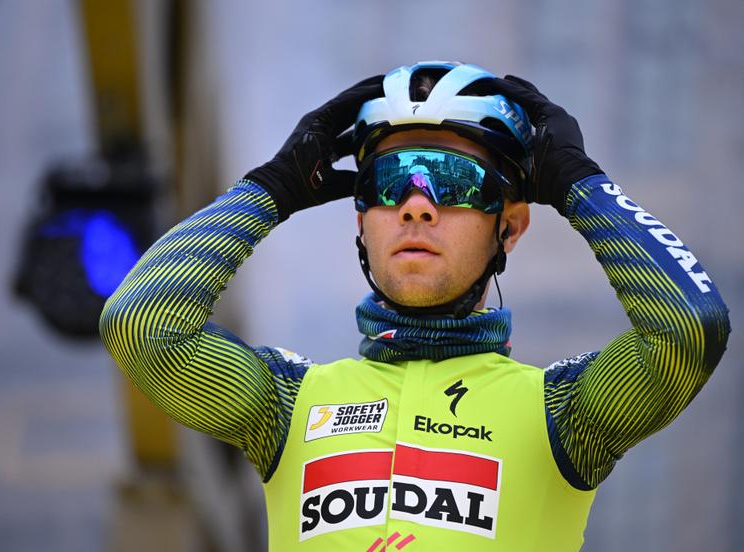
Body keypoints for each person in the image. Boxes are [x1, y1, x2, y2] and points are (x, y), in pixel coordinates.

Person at [99, 62, 730, 550]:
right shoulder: (286, 405)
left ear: (509, 227)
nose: (417, 205)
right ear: (361, 220)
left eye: (454, 182)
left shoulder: (562, 416)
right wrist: (272, 187)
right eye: (389, 180)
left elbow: (689, 329)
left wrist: (578, 184)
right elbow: (139, 325)